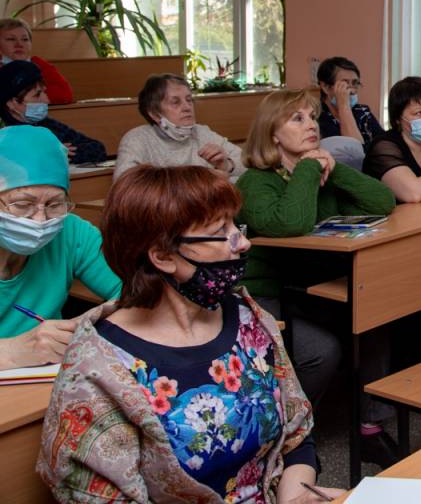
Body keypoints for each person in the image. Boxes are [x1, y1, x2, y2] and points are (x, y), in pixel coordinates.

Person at [37, 165, 342, 503]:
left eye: (234, 225)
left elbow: (297, 438)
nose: (243, 243)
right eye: (220, 230)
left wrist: (297, 497)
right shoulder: (98, 371)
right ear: (163, 256)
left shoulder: (248, 319)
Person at [236, 88, 400, 467]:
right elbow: (291, 223)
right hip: (265, 292)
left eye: (312, 117)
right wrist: (311, 167)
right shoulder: (255, 182)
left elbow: (383, 202)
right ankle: (288, 436)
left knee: (372, 321)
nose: (311, 124)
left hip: (312, 283)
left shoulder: (322, 172)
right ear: (273, 133)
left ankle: (369, 427)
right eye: (298, 119)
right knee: (321, 351)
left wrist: (334, 166)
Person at [0, 126, 121, 370]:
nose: (40, 220)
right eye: (23, 204)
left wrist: (99, 317)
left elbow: (137, 291)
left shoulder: (71, 232)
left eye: (55, 204)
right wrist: (11, 351)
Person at [115, 73, 244, 180]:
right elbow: (123, 184)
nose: (187, 107)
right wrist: (198, 179)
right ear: (155, 114)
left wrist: (227, 164)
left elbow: (247, 162)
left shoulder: (201, 132)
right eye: (175, 102)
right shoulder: (137, 139)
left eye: (189, 100)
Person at [0, 60, 106, 163]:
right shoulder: (3, 131)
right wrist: (49, 154)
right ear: (12, 103)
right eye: (37, 95)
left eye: (44, 93)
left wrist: (65, 153)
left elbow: (97, 148)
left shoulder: (47, 124)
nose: (47, 100)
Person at [315, 56, 384, 169]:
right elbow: (355, 153)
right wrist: (343, 106)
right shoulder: (316, 117)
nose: (352, 90)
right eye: (345, 84)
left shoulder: (363, 112)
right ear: (326, 87)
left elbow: (383, 145)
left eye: (355, 83)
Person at [0, 17, 73, 104]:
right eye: (11, 39)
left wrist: (23, 96)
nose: (19, 44)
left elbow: (64, 94)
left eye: (25, 39)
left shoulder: (38, 63)